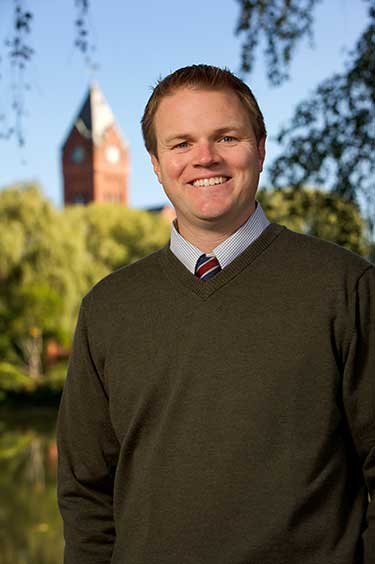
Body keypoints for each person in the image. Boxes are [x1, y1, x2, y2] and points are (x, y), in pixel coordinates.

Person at [57, 64, 375, 564]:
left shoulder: (346, 286)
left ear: (261, 149)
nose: (204, 158)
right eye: (180, 143)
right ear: (157, 165)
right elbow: (85, 493)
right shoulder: (107, 308)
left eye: (226, 136)